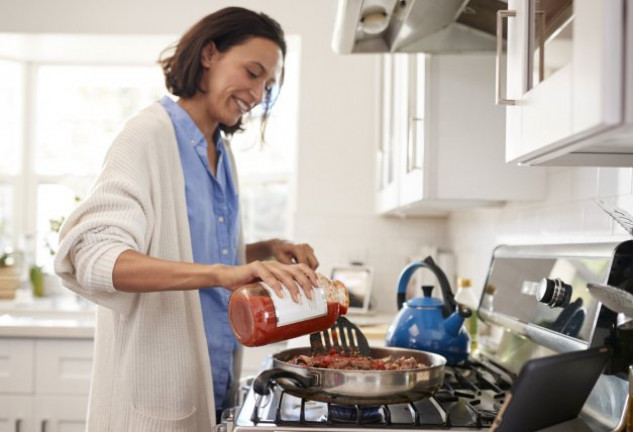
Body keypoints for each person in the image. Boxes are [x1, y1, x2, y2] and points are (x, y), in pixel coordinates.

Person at [54, 7, 319, 431]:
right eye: (252, 73)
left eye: (267, 85)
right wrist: (223, 272)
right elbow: (95, 256)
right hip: (155, 397)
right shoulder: (147, 136)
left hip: (213, 385)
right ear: (209, 54)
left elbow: (186, 248)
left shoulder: (221, 151)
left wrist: (261, 252)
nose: (256, 94)